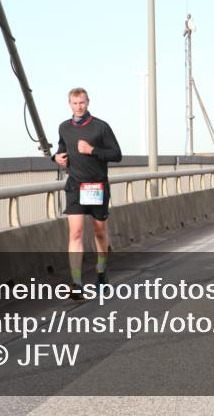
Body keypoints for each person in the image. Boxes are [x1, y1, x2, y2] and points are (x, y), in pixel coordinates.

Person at [52, 87, 122, 298]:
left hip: (96, 186)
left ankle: (101, 271)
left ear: (88, 102)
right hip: (75, 185)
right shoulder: (64, 127)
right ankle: (76, 283)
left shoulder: (100, 127)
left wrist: (92, 150)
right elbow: (61, 149)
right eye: (74, 103)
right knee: (75, 233)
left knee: (99, 232)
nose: (78, 107)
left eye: (82, 103)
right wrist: (56, 158)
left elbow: (117, 155)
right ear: (69, 104)